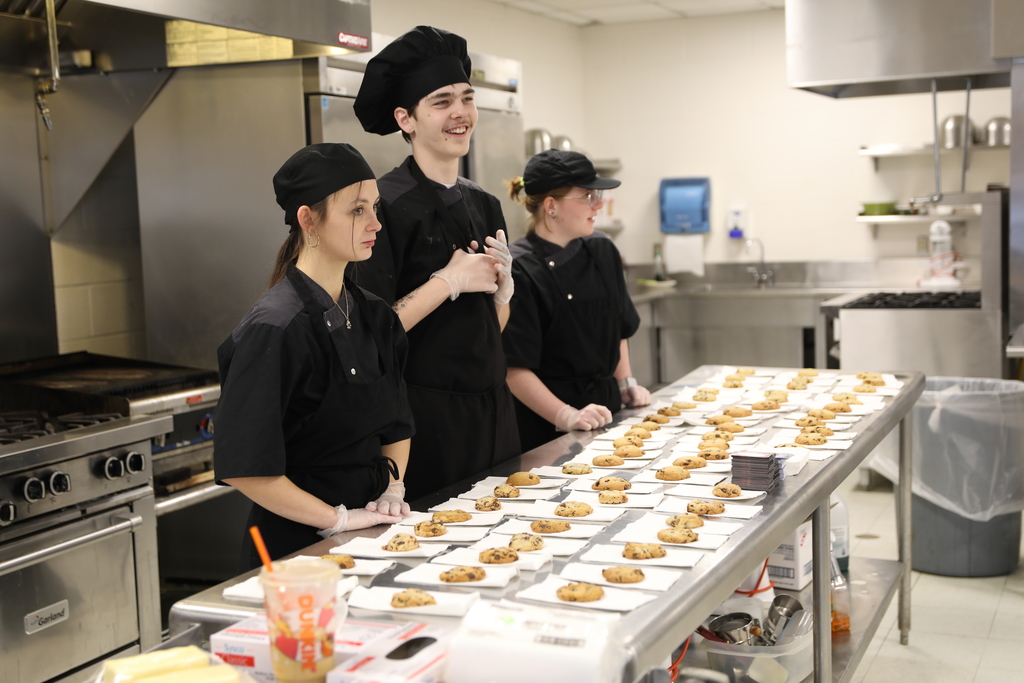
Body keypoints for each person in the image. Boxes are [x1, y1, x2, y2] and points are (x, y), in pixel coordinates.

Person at [214, 143, 414, 570]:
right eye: (357, 210)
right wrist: (335, 519)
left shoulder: (376, 316)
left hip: (370, 537)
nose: (376, 223)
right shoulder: (274, 328)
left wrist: (391, 491)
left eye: (375, 207)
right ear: (308, 219)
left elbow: (397, 425)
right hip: (294, 550)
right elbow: (245, 467)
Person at [351, 26, 519, 502]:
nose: (461, 113)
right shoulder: (383, 207)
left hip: (494, 411)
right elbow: (371, 335)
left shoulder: (483, 203)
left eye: (467, 98)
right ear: (406, 118)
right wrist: (446, 283)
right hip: (424, 424)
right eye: (441, 101)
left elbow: (490, 327)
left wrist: (502, 294)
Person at [502, 149, 653, 451]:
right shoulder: (519, 267)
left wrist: (626, 383)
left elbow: (618, 327)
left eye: (597, 194)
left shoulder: (603, 249)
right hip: (546, 426)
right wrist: (567, 416)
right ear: (551, 206)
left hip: (608, 412)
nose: (598, 204)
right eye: (587, 196)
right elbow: (513, 369)